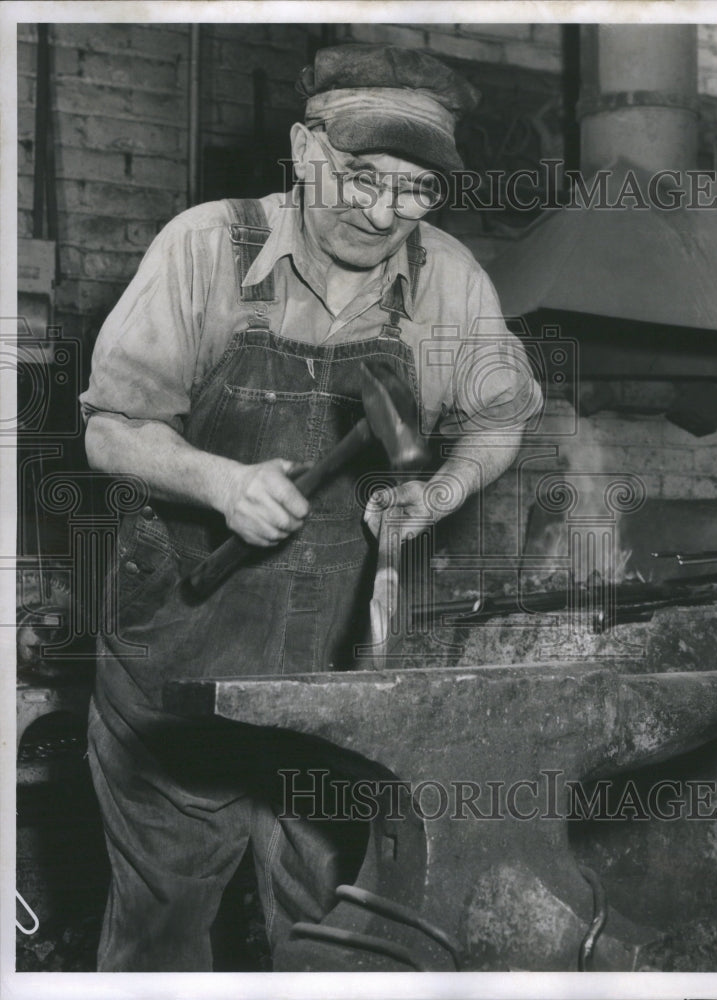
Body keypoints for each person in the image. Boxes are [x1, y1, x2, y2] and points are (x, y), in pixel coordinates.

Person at [80, 42, 543, 971]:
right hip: (181, 665)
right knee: (160, 934)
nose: (383, 212)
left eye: (416, 190)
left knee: (338, 938)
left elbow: (500, 419)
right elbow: (109, 432)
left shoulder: (448, 278)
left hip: (343, 679)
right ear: (303, 148)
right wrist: (220, 482)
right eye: (362, 176)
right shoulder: (206, 247)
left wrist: (438, 490)